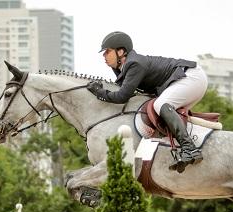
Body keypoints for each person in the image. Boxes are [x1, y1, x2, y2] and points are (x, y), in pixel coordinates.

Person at [87, 31, 208, 173]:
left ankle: (190, 149)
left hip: (190, 77)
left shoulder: (134, 63)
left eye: (107, 51)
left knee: (160, 105)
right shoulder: (123, 67)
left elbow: (122, 97)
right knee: (162, 114)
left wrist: (99, 92)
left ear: (121, 52)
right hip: (184, 80)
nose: (104, 55)